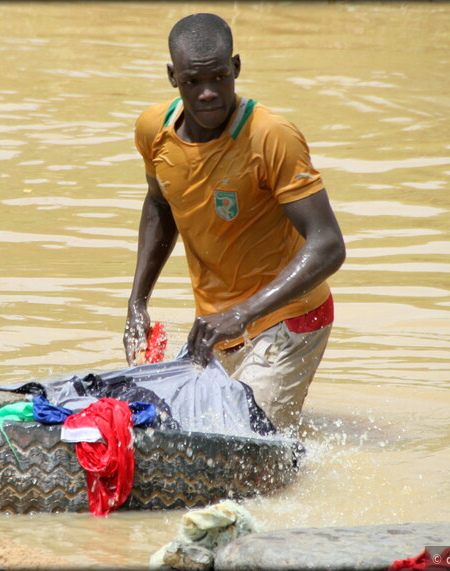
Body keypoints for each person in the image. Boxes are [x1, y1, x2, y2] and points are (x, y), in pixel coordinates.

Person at [123, 13, 346, 430]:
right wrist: (138, 302)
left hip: (290, 316)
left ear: (237, 68)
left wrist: (241, 314)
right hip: (217, 325)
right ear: (173, 77)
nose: (208, 94)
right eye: (193, 82)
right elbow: (159, 204)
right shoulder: (153, 130)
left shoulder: (271, 137)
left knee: (250, 451)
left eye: (220, 77)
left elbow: (329, 245)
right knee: (186, 431)